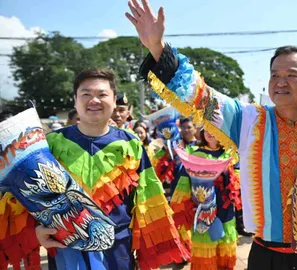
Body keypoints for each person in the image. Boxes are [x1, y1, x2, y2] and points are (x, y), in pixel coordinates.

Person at [125, 1, 297, 269]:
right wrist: (157, 47)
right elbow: (199, 95)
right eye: (275, 75)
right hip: (266, 255)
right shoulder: (248, 120)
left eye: (291, 75)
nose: (281, 82)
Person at [35, 68, 189, 269]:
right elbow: (30, 194)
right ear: (75, 100)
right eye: (86, 94)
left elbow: (150, 198)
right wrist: (36, 229)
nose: (94, 100)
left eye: (102, 94)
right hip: (65, 246)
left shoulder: (131, 145)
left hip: (118, 249)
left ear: (114, 100)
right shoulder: (52, 144)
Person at [170, 129, 241, 269]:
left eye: (215, 129)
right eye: (206, 129)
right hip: (203, 212)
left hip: (226, 210)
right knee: (205, 256)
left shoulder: (231, 155)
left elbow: (240, 182)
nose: (210, 132)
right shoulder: (195, 156)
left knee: (225, 251)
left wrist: (230, 172)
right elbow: (184, 183)